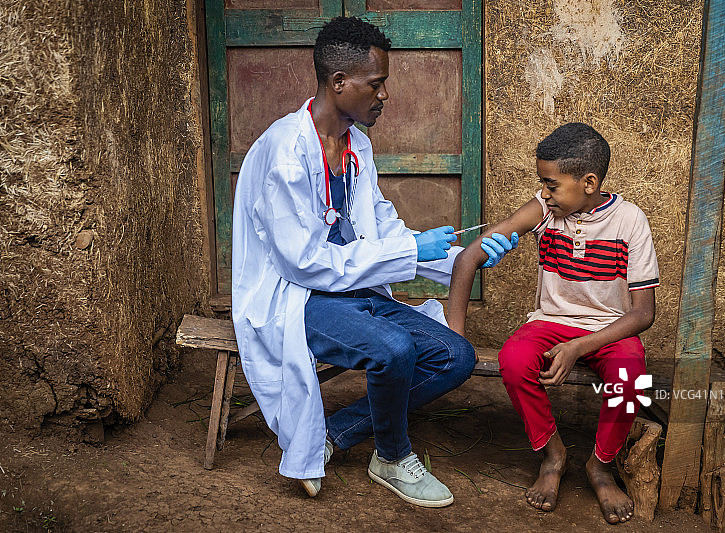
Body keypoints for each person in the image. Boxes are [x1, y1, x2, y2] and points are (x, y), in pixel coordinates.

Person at [230, 16, 516, 508]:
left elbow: (381, 230)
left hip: (351, 291)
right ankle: (391, 454)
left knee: (455, 356)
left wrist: (459, 259)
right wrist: (408, 252)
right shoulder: (285, 153)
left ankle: (335, 434)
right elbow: (304, 264)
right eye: (376, 84)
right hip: (296, 295)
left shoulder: (357, 144)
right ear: (339, 82)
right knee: (394, 349)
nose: (384, 96)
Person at [447, 123, 659, 524]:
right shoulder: (544, 211)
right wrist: (455, 339)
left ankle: (600, 465)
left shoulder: (630, 221)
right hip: (551, 322)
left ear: (590, 182)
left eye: (552, 184)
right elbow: (466, 259)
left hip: (608, 329)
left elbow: (642, 314)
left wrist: (580, 347)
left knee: (631, 380)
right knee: (514, 359)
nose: (543, 193)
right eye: (541, 184)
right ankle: (552, 454)